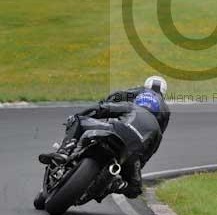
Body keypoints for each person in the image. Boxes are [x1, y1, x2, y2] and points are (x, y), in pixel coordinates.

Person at [38, 76, 170, 202]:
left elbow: (103, 107)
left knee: (78, 121)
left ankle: (63, 152)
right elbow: (149, 153)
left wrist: (77, 116)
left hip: (115, 130)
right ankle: (114, 184)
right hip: (133, 151)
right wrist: (136, 167)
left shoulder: (133, 104)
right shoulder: (159, 127)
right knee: (135, 189)